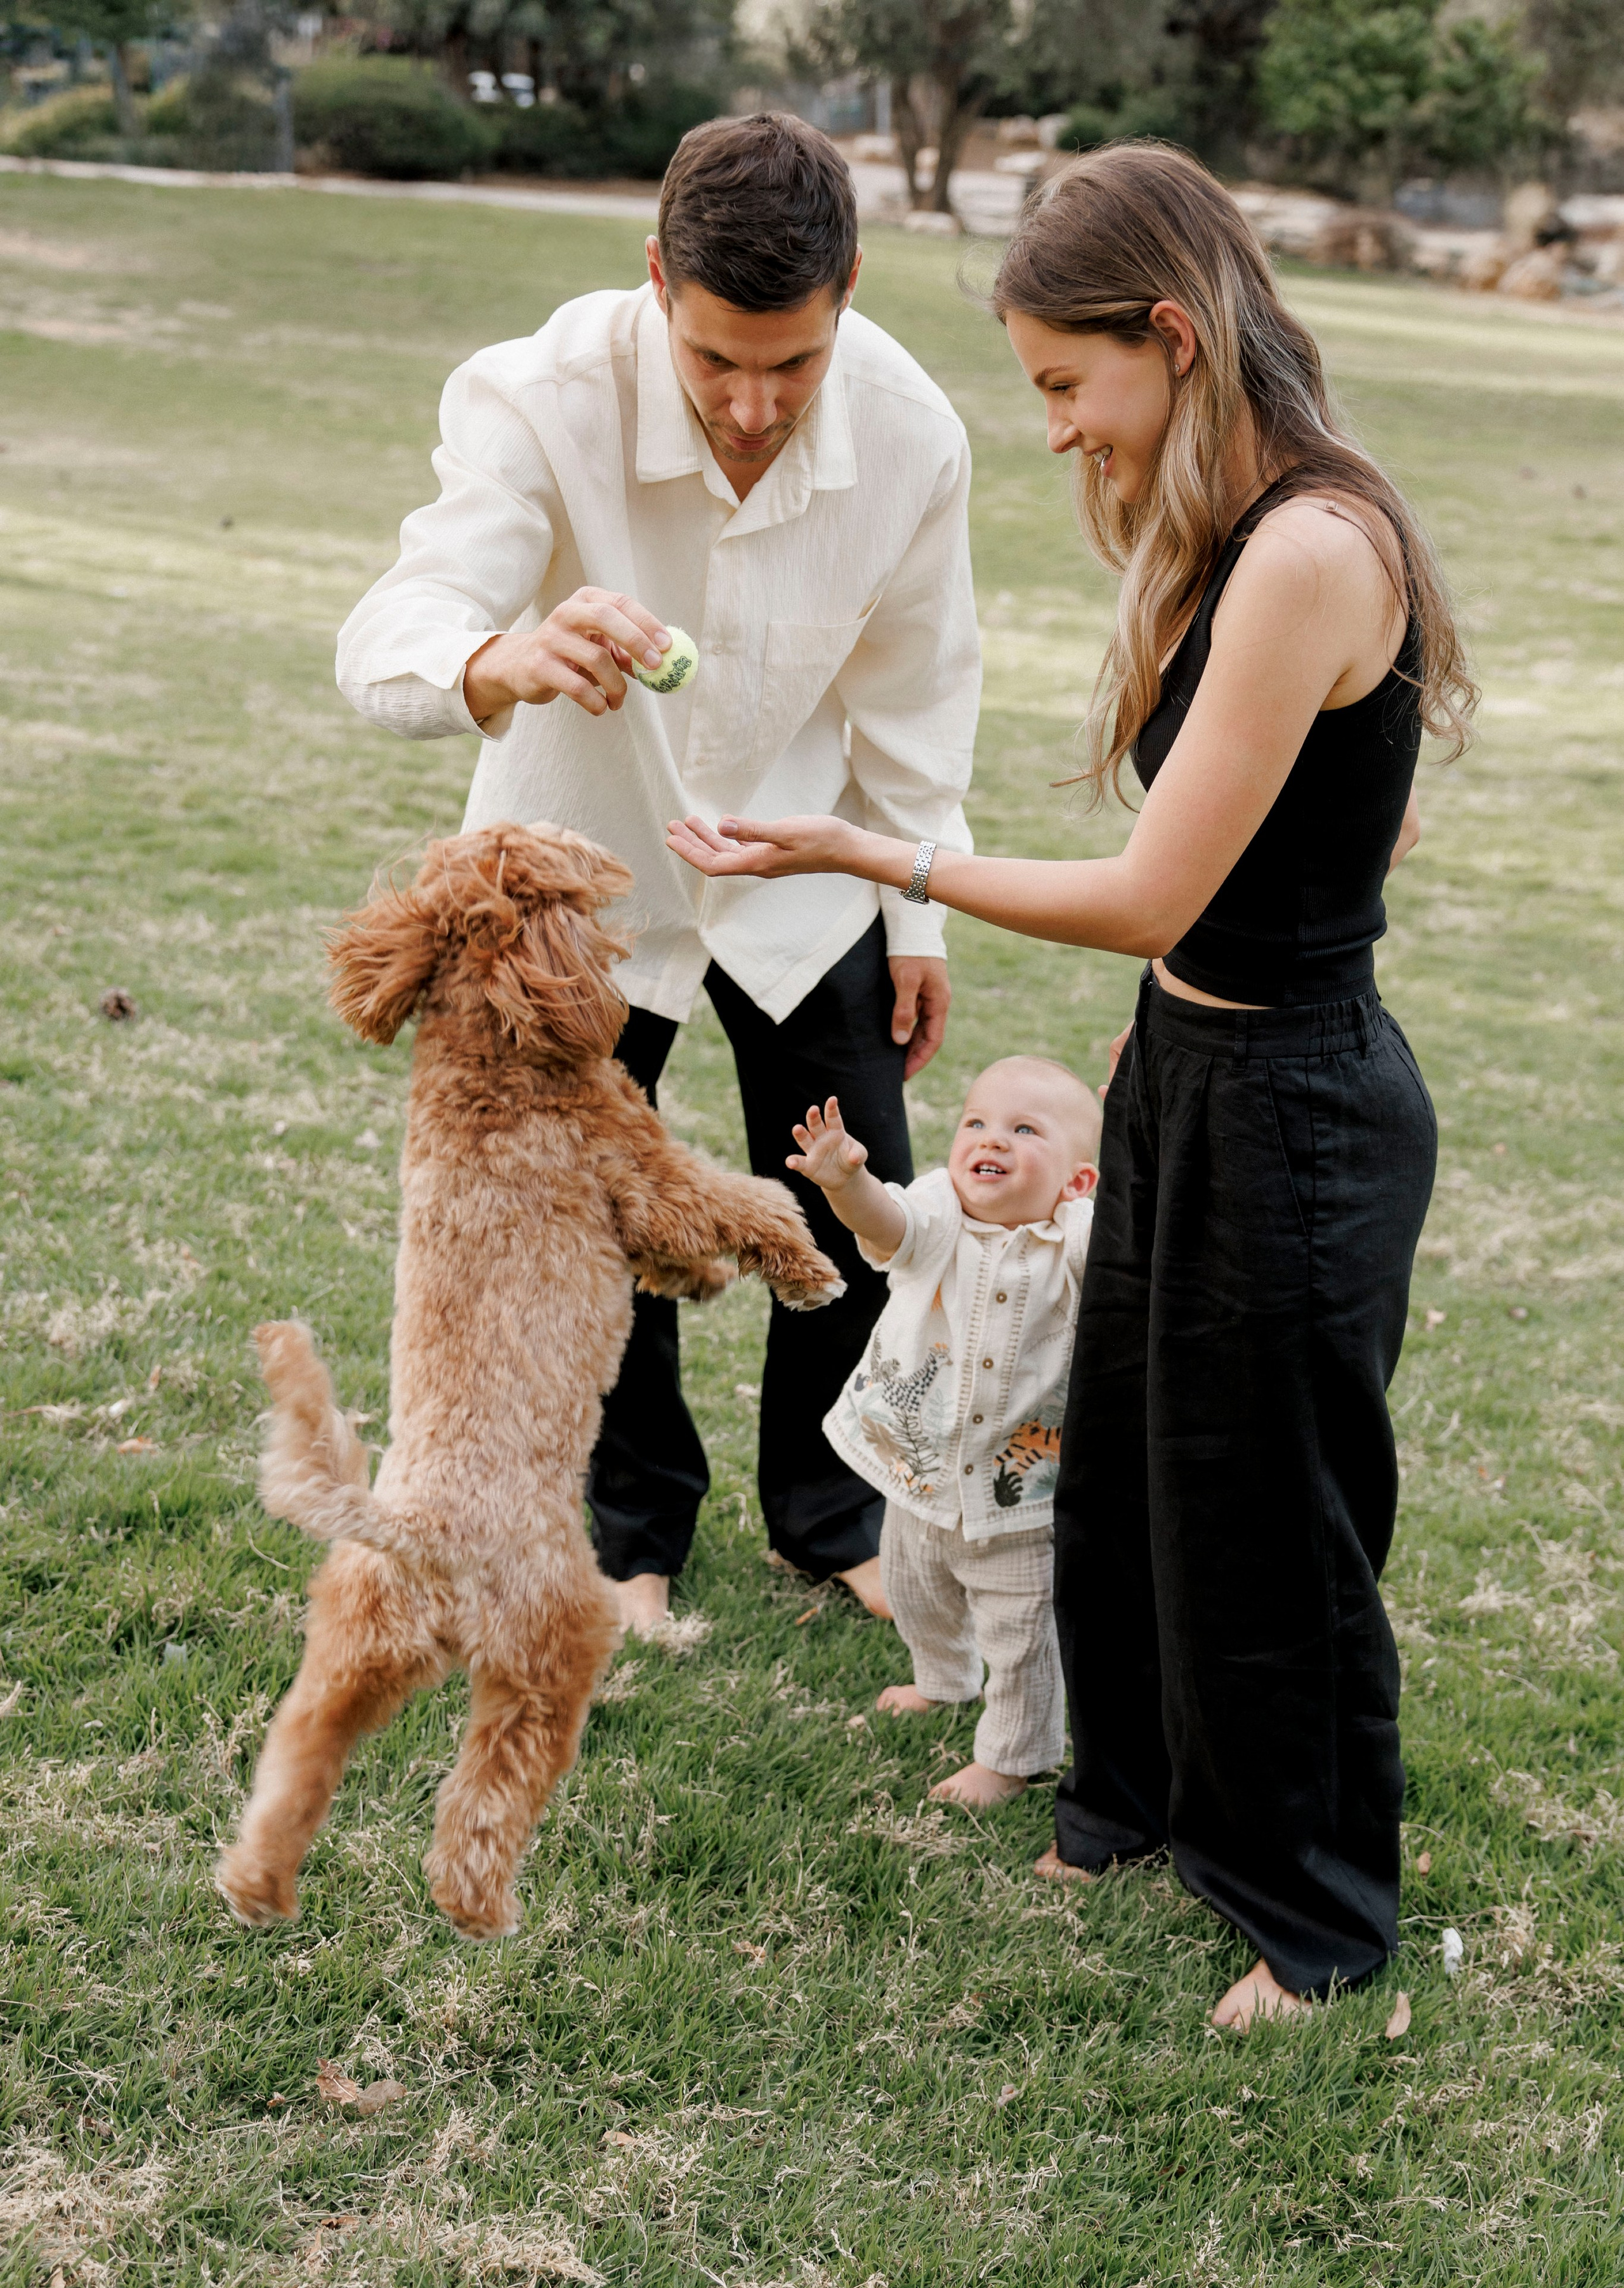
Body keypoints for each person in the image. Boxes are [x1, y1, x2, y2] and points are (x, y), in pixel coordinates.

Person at [667, 142, 1476, 2030]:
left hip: (1298, 1110)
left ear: (1171, 337)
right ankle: (1125, 1800)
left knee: (1269, 1513)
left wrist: (873, 856)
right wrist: (1192, 999)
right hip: (1196, 1061)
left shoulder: (1310, 547)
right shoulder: (1251, 532)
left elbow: (1141, 887)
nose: (1048, 432)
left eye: (1059, 384)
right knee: (1116, 1465)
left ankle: (1317, 1916)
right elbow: (1358, 822)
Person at [335, 113, 979, 1634]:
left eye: (793, 364)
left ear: (848, 297)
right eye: (714, 363)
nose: (753, 406)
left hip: (805, 861)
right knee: (583, 1211)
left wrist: (915, 910)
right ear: (653, 286)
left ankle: (830, 1514)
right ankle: (632, 1528)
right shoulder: (533, 388)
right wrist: (494, 653)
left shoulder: (912, 431)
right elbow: (401, 616)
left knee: (848, 1194)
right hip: (578, 882)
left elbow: (916, 695)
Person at [789, 1060, 1100, 1807]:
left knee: (1020, 1634)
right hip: (918, 1469)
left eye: (1024, 1131)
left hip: (1018, 1491)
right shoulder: (939, 1210)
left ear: (1076, 1182)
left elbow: (1133, 1254)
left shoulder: (1080, 1240)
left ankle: (1011, 1756)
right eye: (977, 1123)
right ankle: (942, 1679)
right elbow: (885, 1223)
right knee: (915, 1589)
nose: (991, 1140)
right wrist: (844, 1184)